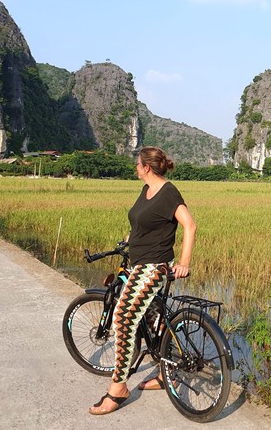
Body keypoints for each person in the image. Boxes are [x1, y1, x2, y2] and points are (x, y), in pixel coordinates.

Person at [89, 146, 196, 415]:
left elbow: (190, 225)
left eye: (138, 164)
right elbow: (141, 223)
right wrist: (126, 242)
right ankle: (163, 373)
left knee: (123, 317)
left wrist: (183, 263)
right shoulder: (146, 190)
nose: (136, 168)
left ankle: (118, 387)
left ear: (147, 167)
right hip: (138, 262)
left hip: (154, 266)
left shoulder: (168, 192)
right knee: (153, 321)